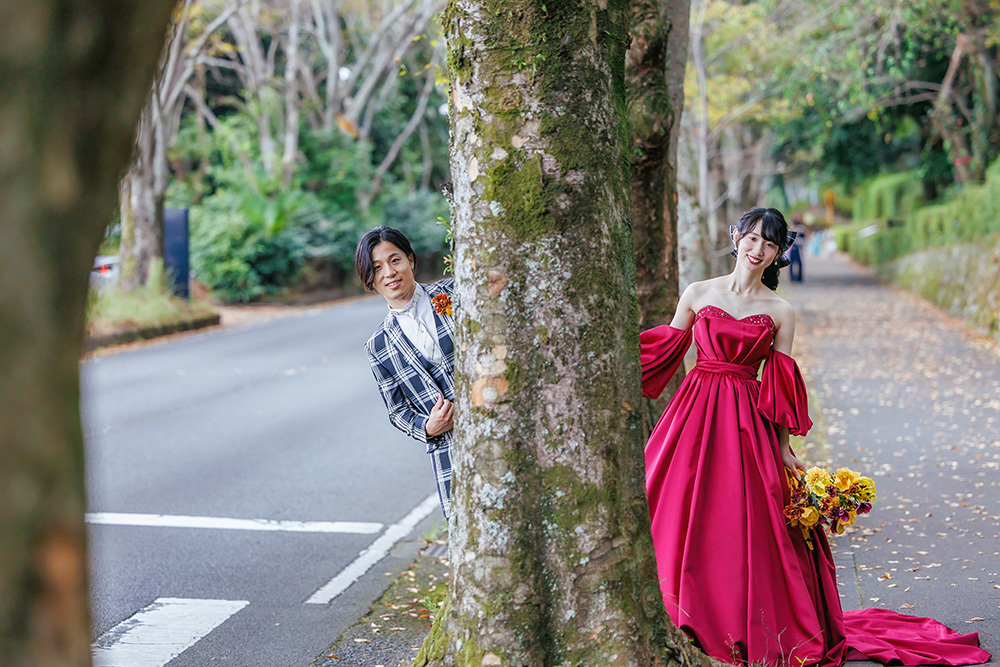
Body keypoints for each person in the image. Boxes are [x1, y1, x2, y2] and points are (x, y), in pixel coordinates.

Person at [640, 207, 990, 667]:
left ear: (779, 253)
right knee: (679, 505)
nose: (757, 249)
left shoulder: (780, 311)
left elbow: (781, 384)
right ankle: (681, 607)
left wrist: (783, 449)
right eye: (751, 238)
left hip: (748, 421)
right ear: (736, 237)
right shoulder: (697, 292)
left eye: (769, 243)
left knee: (745, 519)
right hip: (693, 412)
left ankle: (741, 618)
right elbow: (665, 348)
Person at [357, 226, 456, 519]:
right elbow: (397, 410)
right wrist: (427, 427)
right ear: (370, 279)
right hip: (449, 448)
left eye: (395, 260)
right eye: (377, 267)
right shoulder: (379, 345)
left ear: (411, 261)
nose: (389, 272)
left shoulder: (453, 292)